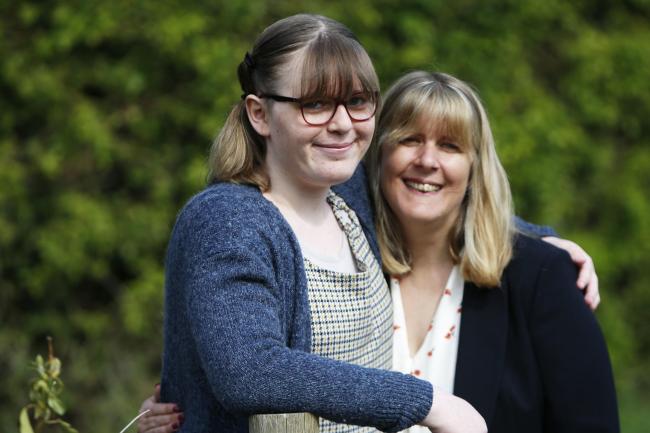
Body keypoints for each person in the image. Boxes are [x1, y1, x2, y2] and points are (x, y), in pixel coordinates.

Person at [136, 14, 602, 433]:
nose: (342, 124)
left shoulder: (347, 199)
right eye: (315, 104)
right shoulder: (228, 218)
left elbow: (435, 190)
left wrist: (539, 240)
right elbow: (249, 370)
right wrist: (428, 403)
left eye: (357, 101)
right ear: (260, 113)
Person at [364, 71, 618, 432]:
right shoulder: (347, 264)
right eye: (409, 139)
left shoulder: (542, 278)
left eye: (449, 146)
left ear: (475, 167)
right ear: (380, 152)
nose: (427, 160)